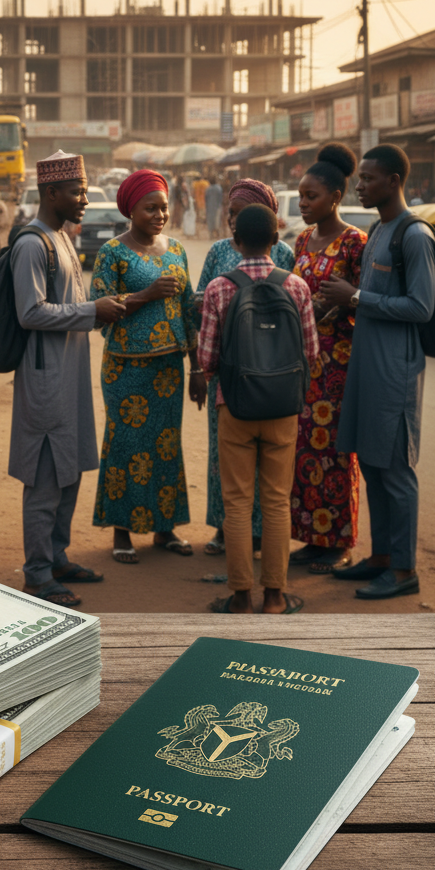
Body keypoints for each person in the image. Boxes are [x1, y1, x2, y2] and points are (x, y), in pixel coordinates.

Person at [320, 144, 435, 600]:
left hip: (396, 372)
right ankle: (382, 558)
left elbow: (421, 307)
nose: (361, 185)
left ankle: (405, 570)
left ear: (393, 181)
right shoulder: (379, 229)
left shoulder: (414, 236)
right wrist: (342, 302)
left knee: (395, 469)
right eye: (361, 178)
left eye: (369, 179)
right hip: (366, 365)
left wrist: (355, 297)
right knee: (371, 462)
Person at [9, 150, 126, 606]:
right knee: (44, 476)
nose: (83, 199)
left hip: (70, 378)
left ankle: (56, 557)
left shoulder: (63, 239)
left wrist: (101, 310)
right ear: (51, 192)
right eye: (76, 191)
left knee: (70, 469)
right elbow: (30, 312)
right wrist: (91, 311)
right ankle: (37, 573)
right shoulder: (32, 245)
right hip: (45, 382)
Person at [197, 204, 319, 614]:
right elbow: (312, 352)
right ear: (275, 240)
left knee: (236, 502)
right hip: (283, 409)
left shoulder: (218, 288)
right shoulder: (297, 287)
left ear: (235, 240)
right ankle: (275, 597)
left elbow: (208, 359)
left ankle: (240, 597)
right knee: (277, 500)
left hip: (234, 406)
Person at [89, 169, 201, 564]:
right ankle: (121, 532)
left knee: (166, 447)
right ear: (130, 210)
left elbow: (188, 311)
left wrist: (198, 369)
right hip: (126, 369)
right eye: (150, 208)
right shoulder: (112, 253)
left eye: (164, 208)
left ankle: (165, 527)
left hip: (169, 368)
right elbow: (101, 311)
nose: (159, 215)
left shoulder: (176, 250)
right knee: (127, 447)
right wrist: (146, 294)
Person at [193, 178, 295, 556]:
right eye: (231, 214)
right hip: (228, 377)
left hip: (268, 372)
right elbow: (198, 300)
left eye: (240, 214)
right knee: (224, 460)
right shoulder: (218, 250)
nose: (234, 222)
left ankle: (257, 534)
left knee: (262, 467)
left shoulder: (283, 254)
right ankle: (225, 529)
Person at [287, 144, 365, 574]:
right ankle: (313, 538)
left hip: (337, 360)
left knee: (335, 451)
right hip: (305, 361)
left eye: (311, 196)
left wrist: (340, 305)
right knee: (305, 450)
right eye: (300, 196)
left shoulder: (355, 242)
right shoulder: (302, 239)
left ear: (335, 196)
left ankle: (339, 542)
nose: (303, 203)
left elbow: (363, 299)